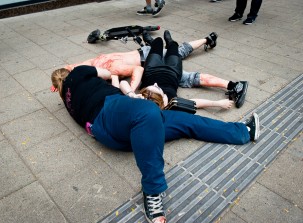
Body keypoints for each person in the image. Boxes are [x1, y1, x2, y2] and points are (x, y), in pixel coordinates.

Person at [51, 64, 259, 223]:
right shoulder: (78, 72)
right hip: (111, 111)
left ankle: (244, 131)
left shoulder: (66, 100)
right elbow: (107, 73)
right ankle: (152, 191)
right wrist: (114, 80)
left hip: (111, 133)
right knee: (148, 111)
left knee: (181, 122)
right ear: (68, 71)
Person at [56, 32, 248, 108]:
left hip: (147, 59)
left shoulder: (110, 67)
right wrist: (62, 76)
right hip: (160, 66)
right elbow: (74, 67)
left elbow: (136, 71)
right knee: (182, 63)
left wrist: (132, 90)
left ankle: (207, 40)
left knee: (179, 55)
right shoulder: (93, 63)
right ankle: (207, 40)